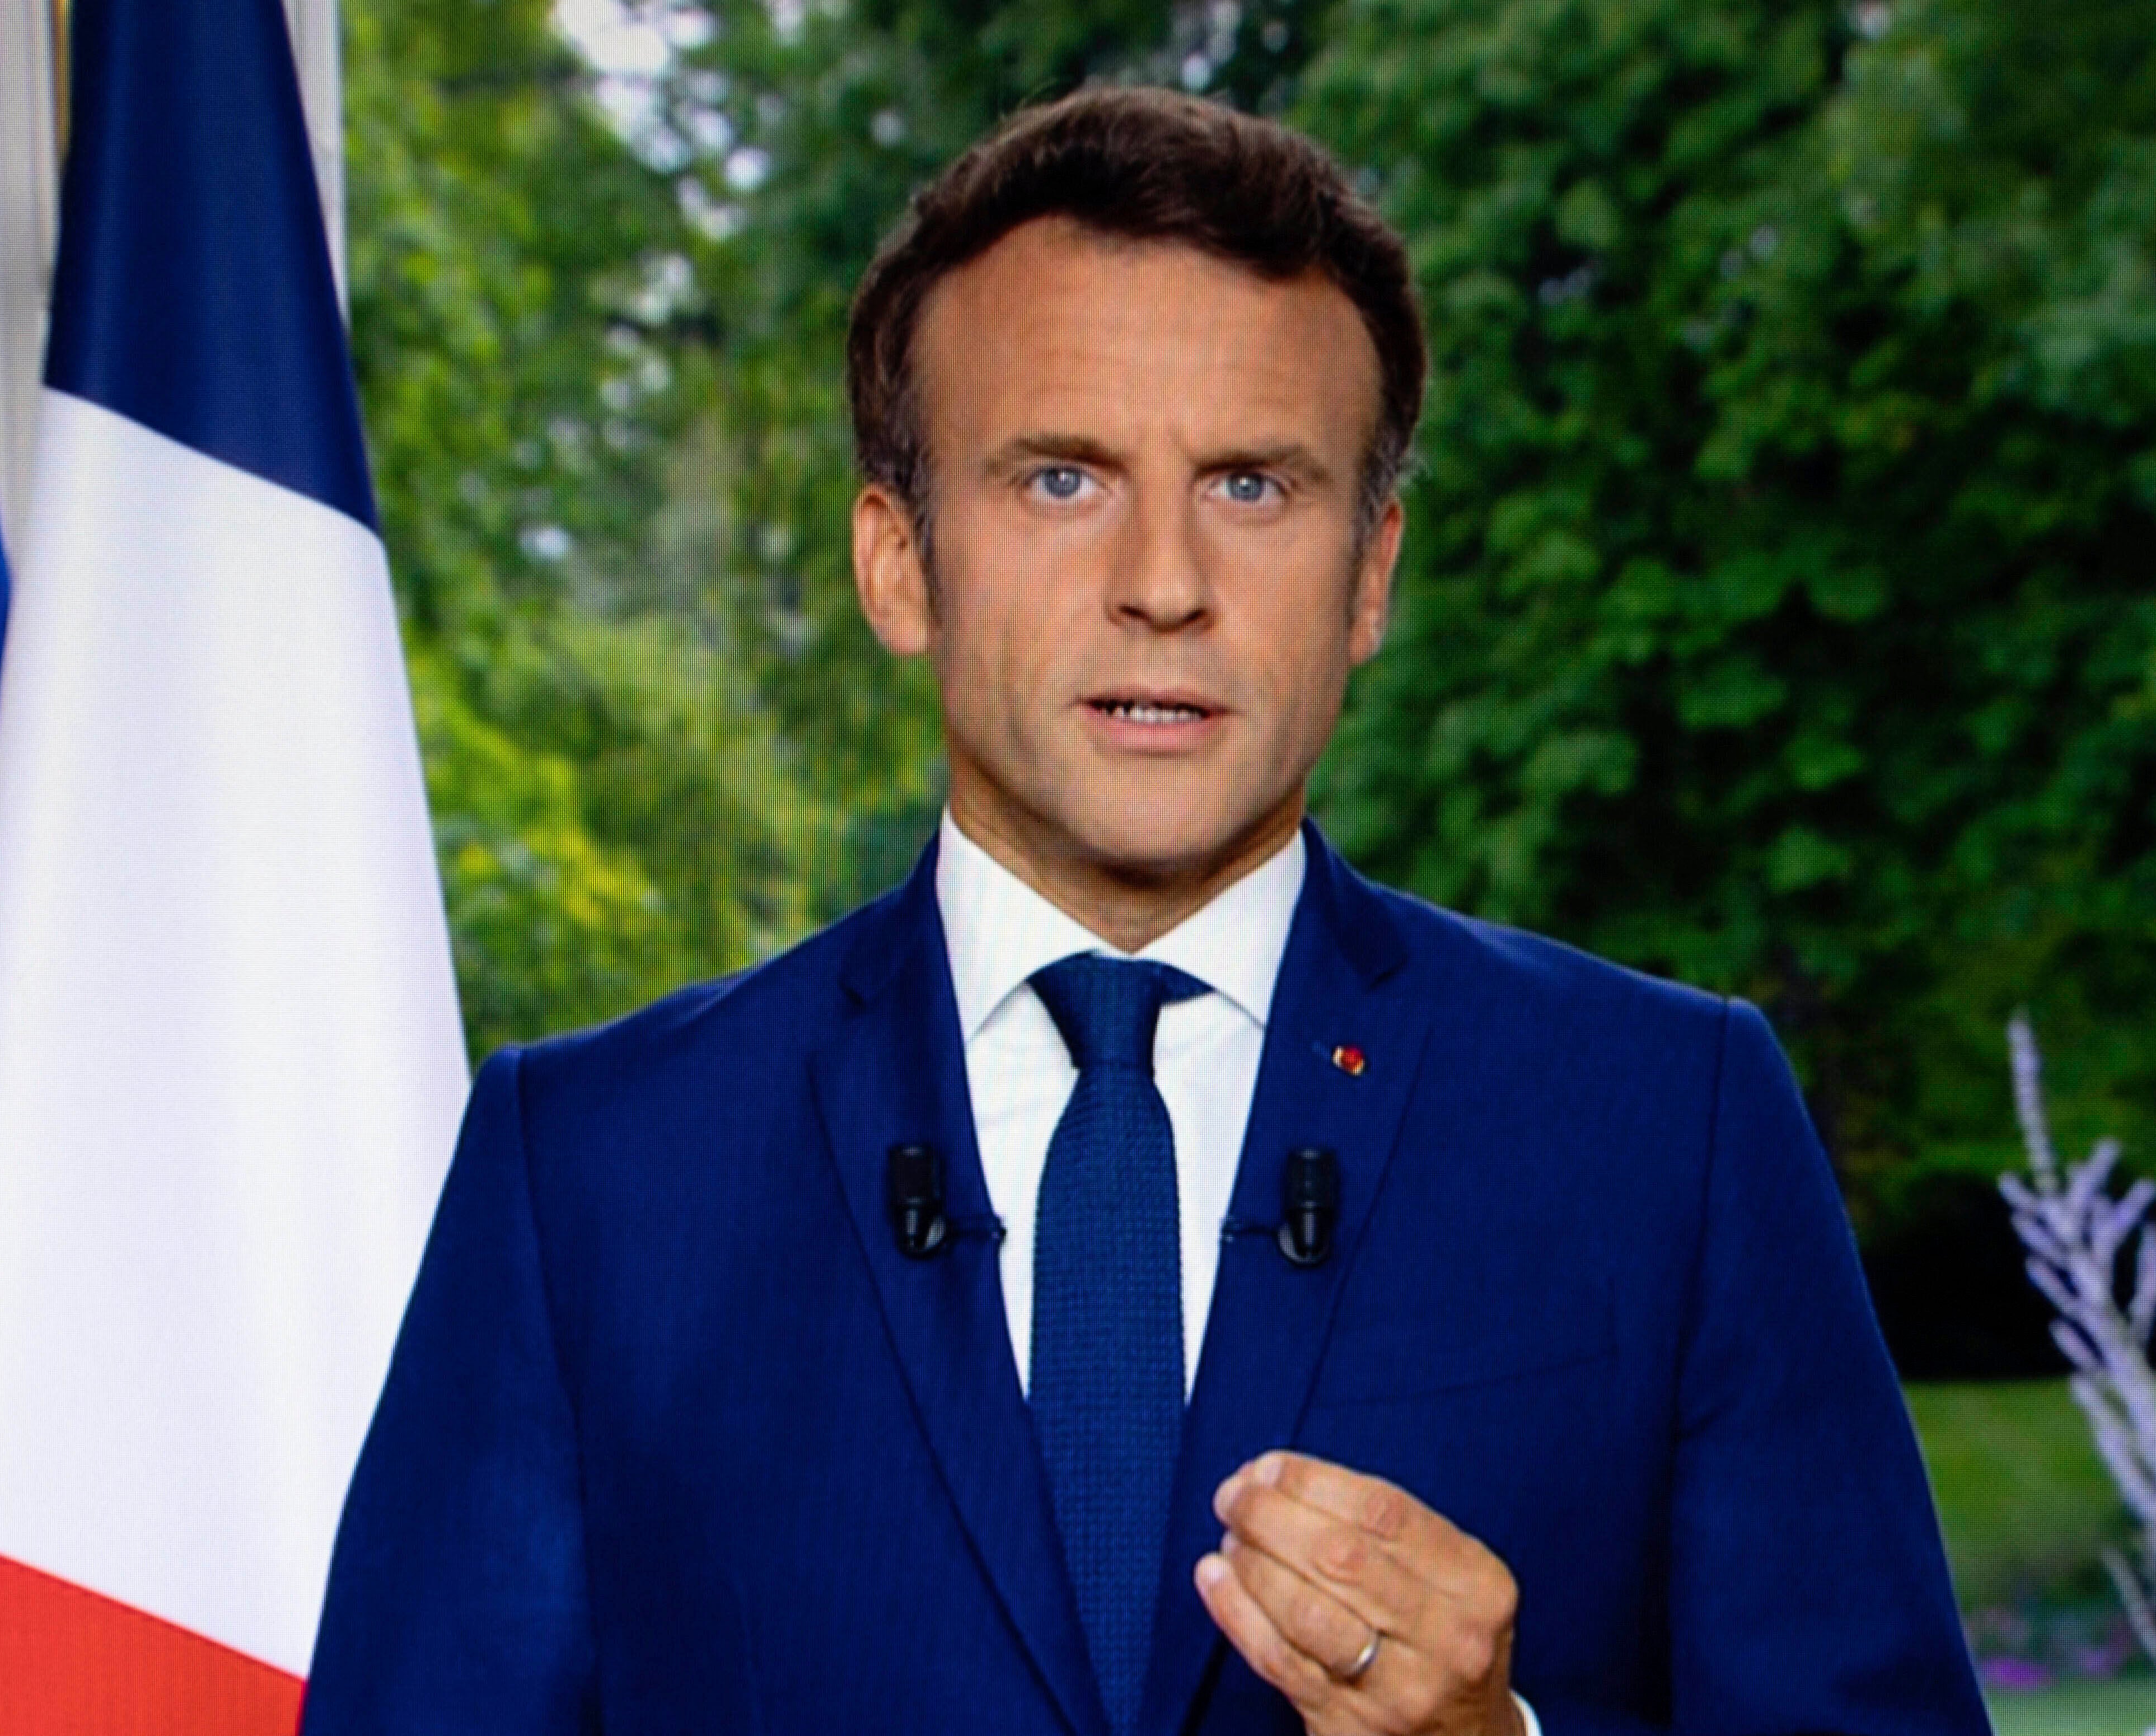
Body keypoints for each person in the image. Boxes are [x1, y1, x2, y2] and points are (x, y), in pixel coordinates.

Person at [300, 88, 1987, 1736]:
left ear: (1370, 575)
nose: (1164, 581)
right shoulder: (591, 1170)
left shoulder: (1663, 1128)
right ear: (898, 561)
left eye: (1253, 486)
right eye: (1060, 479)